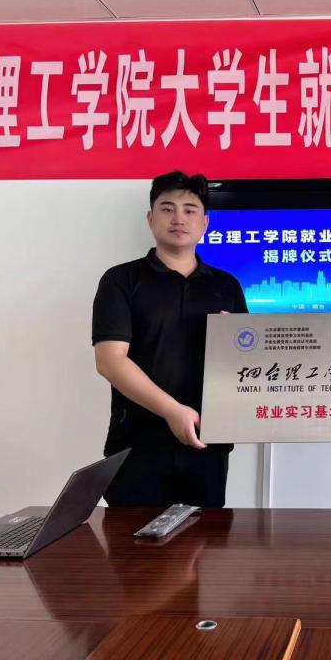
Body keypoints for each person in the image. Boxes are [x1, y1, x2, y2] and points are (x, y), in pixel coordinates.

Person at [92, 171, 247, 508]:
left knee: (204, 539)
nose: (179, 218)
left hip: (206, 444)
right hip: (137, 445)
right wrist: (172, 411)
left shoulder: (226, 286)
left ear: (205, 223)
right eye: (167, 209)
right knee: (131, 541)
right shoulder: (121, 280)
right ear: (150, 219)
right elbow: (110, 361)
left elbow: (247, 367)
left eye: (190, 210)